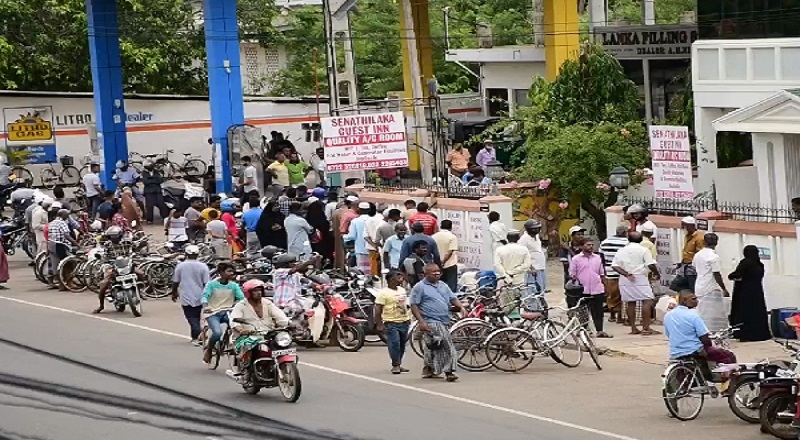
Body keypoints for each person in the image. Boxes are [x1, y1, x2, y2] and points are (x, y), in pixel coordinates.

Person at [409, 263, 467, 382]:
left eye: (438, 271)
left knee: (433, 346)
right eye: (433, 271)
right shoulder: (419, 287)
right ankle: (449, 371)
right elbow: (414, 305)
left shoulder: (443, 285)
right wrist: (421, 322)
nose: (436, 273)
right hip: (431, 321)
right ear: (426, 274)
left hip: (444, 319)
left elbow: (453, 298)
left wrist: (461, 307)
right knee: (447, 346)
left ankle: (428, 369)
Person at [664, 291, 737, 382]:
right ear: (684, 300)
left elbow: (668, 334)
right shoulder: (693, 316)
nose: (697, 301)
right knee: (728, 356)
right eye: (693, 299)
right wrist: (711, 343)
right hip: (694, 350)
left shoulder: (668, 315)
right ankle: (727, 384)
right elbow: (705, 339)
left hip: (675, 351)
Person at [230, 279, 291, 380]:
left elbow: (280, 316)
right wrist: (241, 330)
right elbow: (234, 321)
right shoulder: (241, 305)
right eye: (255, 290)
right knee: (248, 345)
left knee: (284, 343)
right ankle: (246, 370)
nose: (259, 293)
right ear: (248, 293)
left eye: (260, 290)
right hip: (248, 335)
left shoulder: (267, 303)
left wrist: (288, 323)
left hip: (269, 334)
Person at [612, 231, 661, 335]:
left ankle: (633, 328)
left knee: (630, 302)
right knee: (647, 300)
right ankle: (646, 327)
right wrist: (656, 273)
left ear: (628, 239)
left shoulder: (622, 250)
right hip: (640, 277)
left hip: (626, 278)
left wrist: (626, 274)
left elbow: (615, 266)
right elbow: (650, 264)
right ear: (641, 240)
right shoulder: (644, 250)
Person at [201, 262, 246, 365]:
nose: (231, 273)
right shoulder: (212, 284)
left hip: (228, 312)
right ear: (221, 272)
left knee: (241, 329)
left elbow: (241, 298)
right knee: (217, 333)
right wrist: (205, 306)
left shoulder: (233, 286)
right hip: (213, 312)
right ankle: (209, 350)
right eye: (229, 271)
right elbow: (205, 296)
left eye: (232, 271)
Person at [728, 245, 772, 342]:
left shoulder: (745, 263)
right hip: (757, 292)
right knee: (757, 312)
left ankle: (747, 334)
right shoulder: (760, 264)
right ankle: (760, 334)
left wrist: (732, 276)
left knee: (745, 313)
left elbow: (735, 275)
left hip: (744, 292)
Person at [569, 238, 611, 338]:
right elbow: (572, 274)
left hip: (597, 288)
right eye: (588, 245)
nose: (591, 247)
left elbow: (602, 273)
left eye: (592, 245)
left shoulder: (597, 258)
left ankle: (600, 330)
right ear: (581, 246)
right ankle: (584, 330)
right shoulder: (576, 259)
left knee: (598, 311)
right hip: (582, 289)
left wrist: (606, 287)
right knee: (583, 311)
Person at [171, 245, 210, 345]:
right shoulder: (203, 266)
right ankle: (197, 334)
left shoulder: (180, 266)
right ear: (197, 254)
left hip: (186, 294)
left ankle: (196, 335)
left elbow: (175, 281)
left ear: (186, 254)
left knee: (191, 317)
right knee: (196, 315)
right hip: (200, 294)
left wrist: (174, 292)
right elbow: (207, 283)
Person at [375, 270, 412, 374]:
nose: (401, 277)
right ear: (391, 279)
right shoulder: (383, 293)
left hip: (404, 321)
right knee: (394, 343)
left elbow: (405, 304)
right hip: (391, 322)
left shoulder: (402, 290)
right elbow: (378, 309)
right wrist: (379, 323)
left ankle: (399, 363)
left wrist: (408, 317)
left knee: (402, 345)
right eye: (398, 276)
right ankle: (395, 365)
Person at [692, 233, 729, 331]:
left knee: (701, 310)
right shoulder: (714, 257)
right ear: (716, 242)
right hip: (711, 287)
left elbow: (695, 267)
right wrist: (724, 288)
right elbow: (716, 274)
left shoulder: (698, 255)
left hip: (699, 284)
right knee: (712, 312)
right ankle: (711, 330)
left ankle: (700, 329)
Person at [494, 230, 533, 314]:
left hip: (504, 282)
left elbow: (497, 265)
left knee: (507, 307)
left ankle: (509, 324)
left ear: (507, 238)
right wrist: (513, 272)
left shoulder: (500, 250)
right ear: (518, 239)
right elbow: (527, 265)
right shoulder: (524, 249)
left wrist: (506, 275)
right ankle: (517, 323)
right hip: (519, 282)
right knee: (519, 305)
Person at [599, 224, 629, 324]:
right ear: (625, 232)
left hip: (609, 272)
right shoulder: (627, 243)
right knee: (622, 295)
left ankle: (612, 315)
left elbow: (601, 258)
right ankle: (620, 316)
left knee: (612, 294)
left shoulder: (605, 242)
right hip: (623, 272)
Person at [47, 208, 77, 289]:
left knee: (57, 265)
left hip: (51, 244)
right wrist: (75, 243)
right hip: (60, 245)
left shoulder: (51, 223)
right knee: (69, 264)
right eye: (67, 215)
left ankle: (61, 285)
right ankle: (69, 282)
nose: (68, 217)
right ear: (63, 215)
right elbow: (66, 235)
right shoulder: (62, 223)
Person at [676, 216, 705, 291]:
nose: (683, 228)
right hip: (685, 266)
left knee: (692, 287)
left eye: (684, 226)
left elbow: (700, 253)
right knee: (677, 286)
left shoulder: (699, 237)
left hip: (692, 267)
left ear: (690, 226)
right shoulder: (688, 236)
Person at [519, 219, 547, 293]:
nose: (537, 230)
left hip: (540, 266)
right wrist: (531, 267)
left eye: (538, 228)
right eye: (535, 228)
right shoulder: (524, 239)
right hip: (533, 269)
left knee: (541, 288)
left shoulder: (536, 236)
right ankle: (532, 305)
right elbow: (522, 255)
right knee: (532, 290)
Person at [344, 202, 372, 273]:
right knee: (371, 269)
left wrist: (344, 237)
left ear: (359, 210)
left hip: (360, 249)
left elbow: (352, 236)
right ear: (369, 210)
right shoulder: (373, 220)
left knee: (362, 270)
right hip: (372, 249)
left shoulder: (355, 221)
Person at [433, 220, 459, 292]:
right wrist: (443, 261)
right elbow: (450, 251)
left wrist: (439, 262)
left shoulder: (434, 236)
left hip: (437, 264)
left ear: (441, 226)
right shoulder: (452, 237)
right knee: (451, 286)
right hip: (450, 264)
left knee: (439, 285)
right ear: (451, 227)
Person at [365, 203, 385, 275]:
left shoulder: (367, 220)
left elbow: (365, 236)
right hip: (382, 246)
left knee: (373, 265)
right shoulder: (382, 219)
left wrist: (374, 245)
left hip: (372, 247)